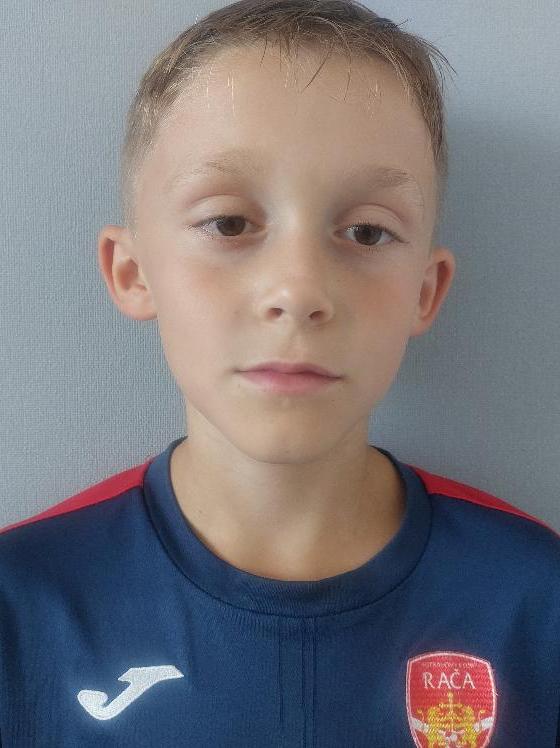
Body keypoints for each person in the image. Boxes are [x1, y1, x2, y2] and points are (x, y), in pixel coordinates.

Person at [1, 1, 559, 745]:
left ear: (425, 292)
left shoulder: (537, 601)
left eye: (366, 232)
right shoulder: (22, 604)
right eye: (229, 223)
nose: (298, 290)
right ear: (132, 272)